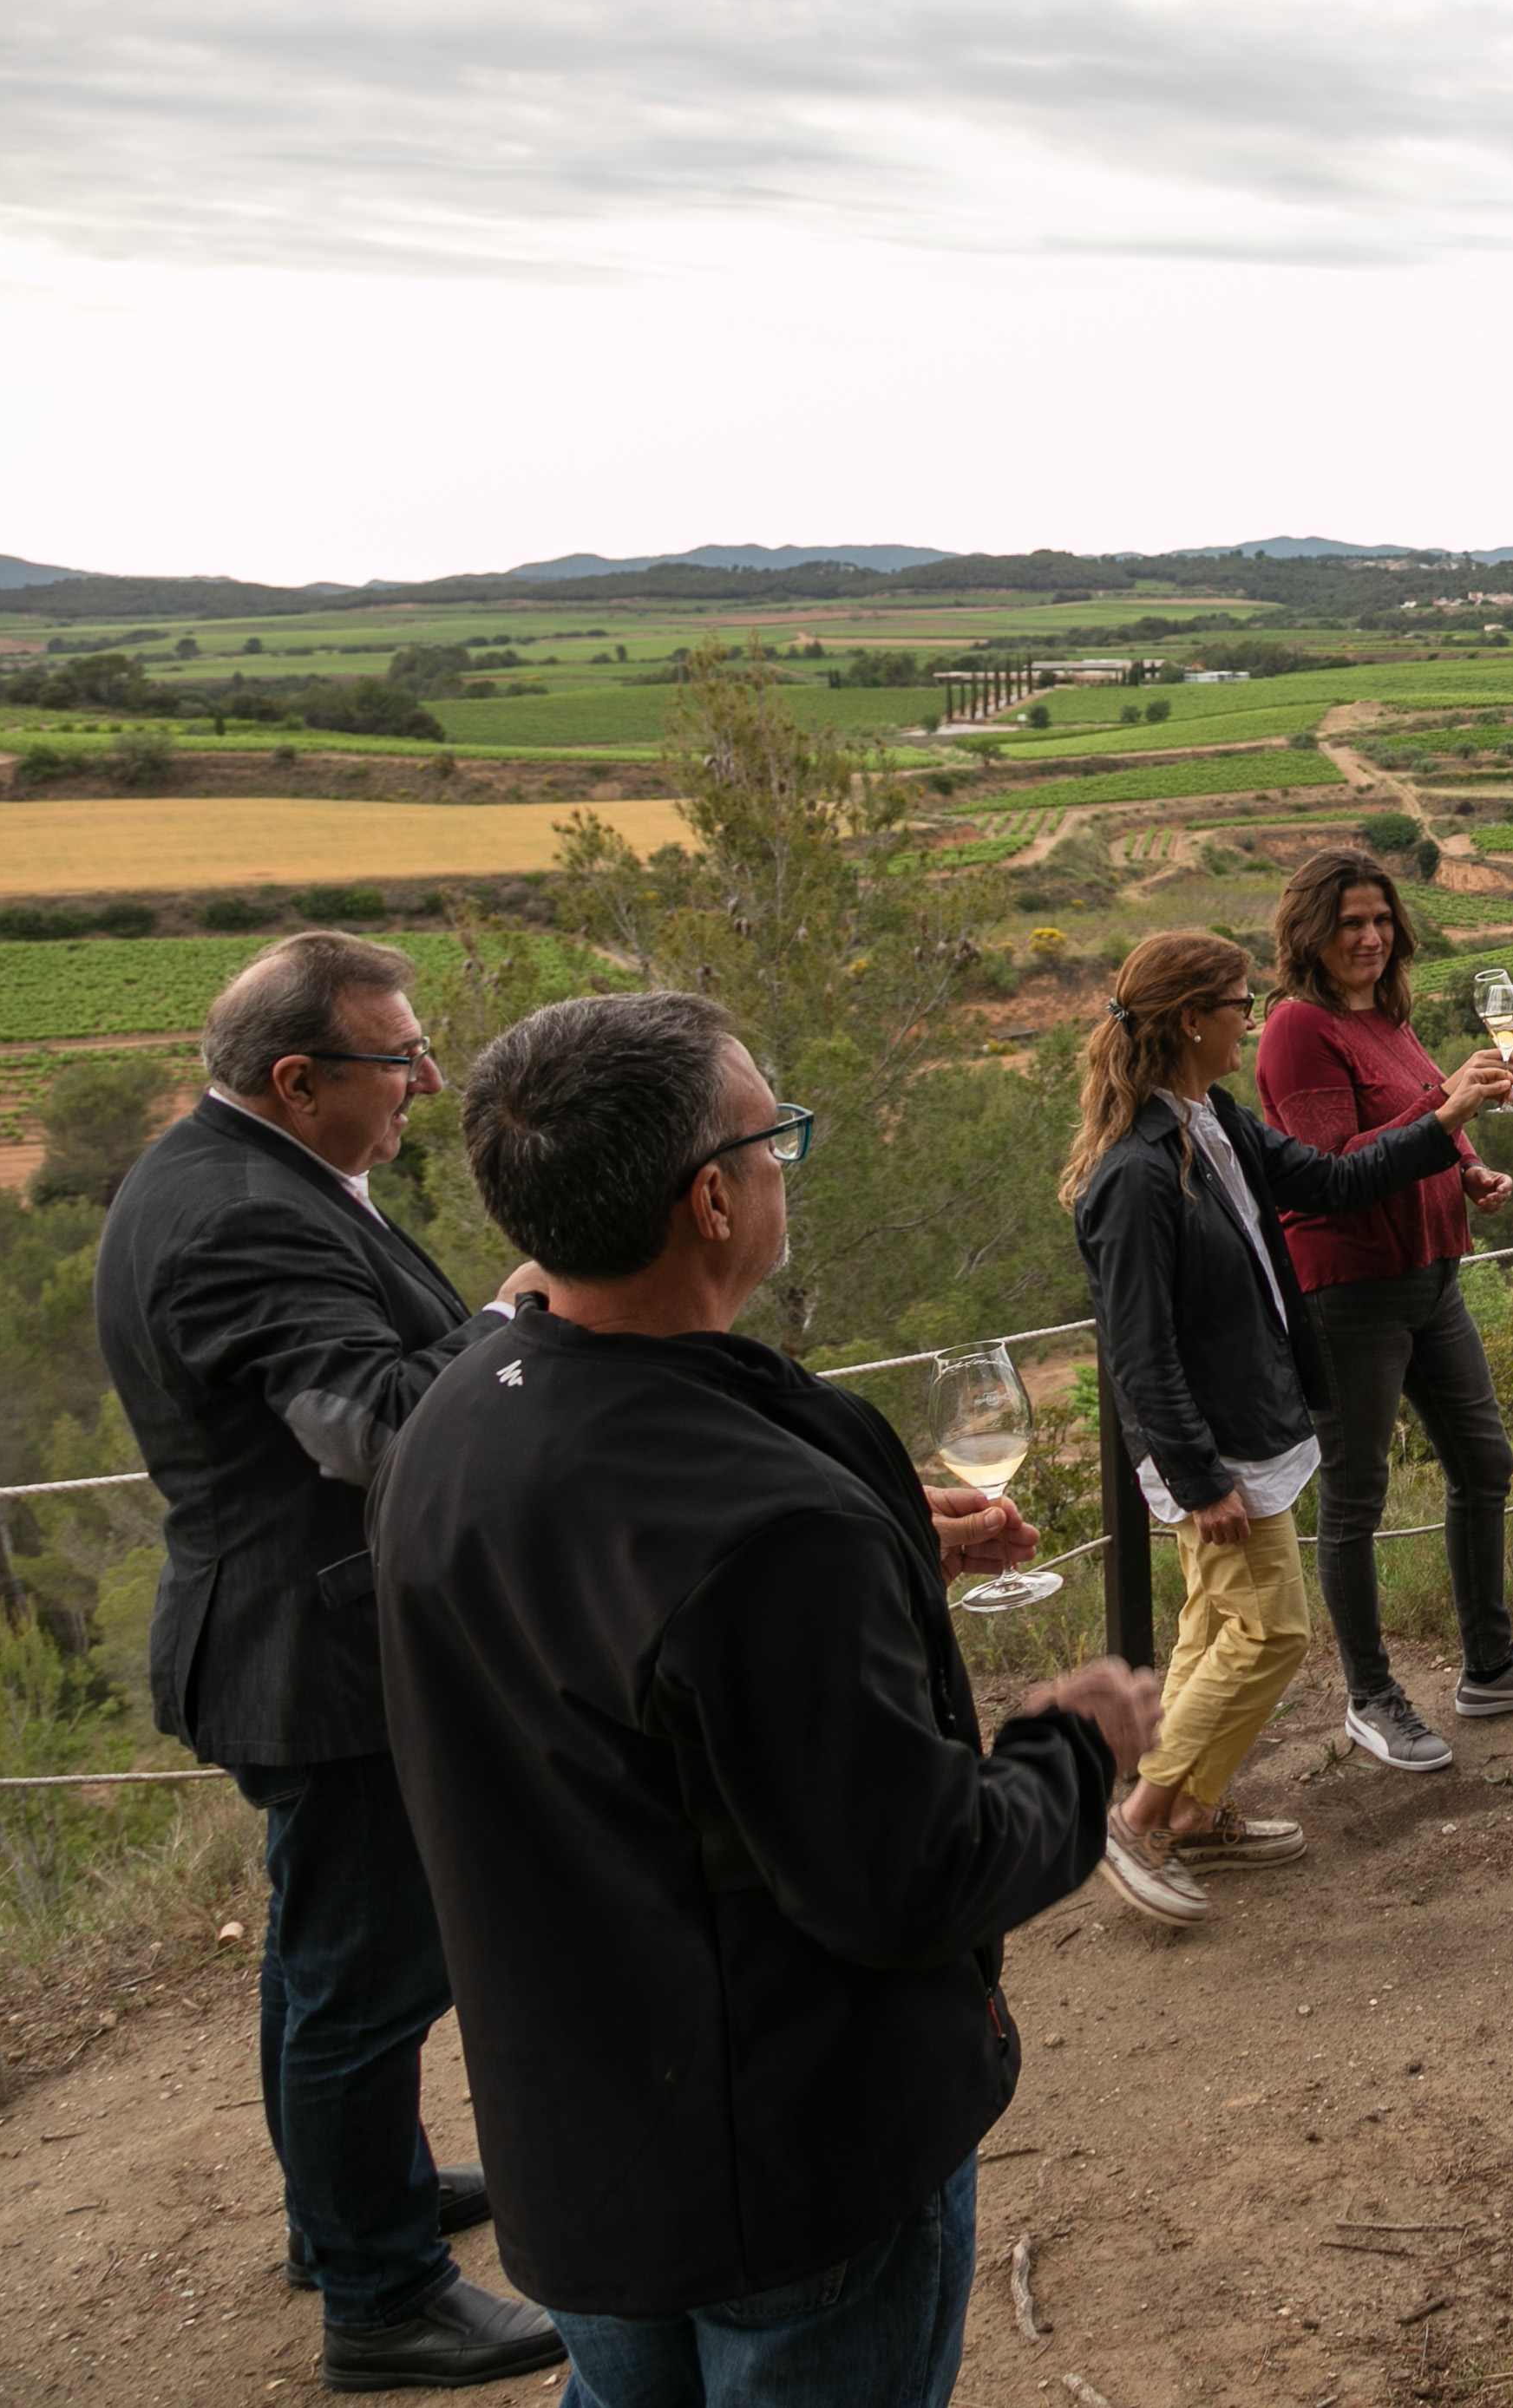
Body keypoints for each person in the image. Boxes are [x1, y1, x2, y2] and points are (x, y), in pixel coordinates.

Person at [372, 989, 1158, 2408]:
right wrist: (1075, 1746)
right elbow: (911, 1878)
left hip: (583, 2144)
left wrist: (870, 1541)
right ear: (712, 1203)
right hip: (790, 2164)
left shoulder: (456, 1417)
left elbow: (616, 1652)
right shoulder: (767, 1533)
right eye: (772, 1136)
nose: (785, 1162)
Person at [88, 930, 564, 2391]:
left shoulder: (236, 1175)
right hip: (327, 1654)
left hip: (309, 1632)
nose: (425, 1076)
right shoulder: (239, 1213)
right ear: (297, 1080)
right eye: (396, 1055)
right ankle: (382, 2296)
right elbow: (377, 1428)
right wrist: (516, 1318)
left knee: (319, 1967)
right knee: (367, 1980)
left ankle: (350, 2207)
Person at [1068, 930, 1513, 1921]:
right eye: (1238, 1004)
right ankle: (1139, 1817)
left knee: (1214, 1625)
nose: (1253, 1020)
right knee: (1271, 1632)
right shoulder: (1136, 1174)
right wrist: (1199, 1476)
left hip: (1243, 1429)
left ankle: (1194, 1810)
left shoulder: (1210, 1121)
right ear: (1191, 1021)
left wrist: (1447, 1120)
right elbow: (1138, 1353)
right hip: (1213, 1448)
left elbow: (1334, 1180)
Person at [1261, 850, 1513, 1774]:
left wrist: (1466, 1166)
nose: (1368, 937)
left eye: (1379, 919)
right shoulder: (1297, 1029)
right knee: (1357, 1493)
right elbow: (1330, 1172)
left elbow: (1417, 1123)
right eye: (1348, 923)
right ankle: (1371, 1697)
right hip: (1349, 1289)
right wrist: (1446, 1117)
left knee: (1483, 1458)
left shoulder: (1385, 1014)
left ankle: (1489, 1665)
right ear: (1310, 933)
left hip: (1430, 1270)